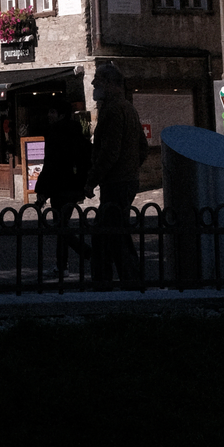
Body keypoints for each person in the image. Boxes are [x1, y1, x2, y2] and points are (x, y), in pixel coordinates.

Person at [85, 64, 148, 285]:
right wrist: (131, 168)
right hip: (126, 180)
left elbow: (109, 153)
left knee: (112, 235)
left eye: (98, 79)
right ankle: (121, 282)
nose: (93, 84)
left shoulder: (112, 110)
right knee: (111, 234)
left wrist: (92, 180)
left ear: (110, 83)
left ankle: (118, 283)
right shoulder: (128, 108)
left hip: (116, 183)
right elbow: (142, 147)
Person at [35, 99, 92, 276]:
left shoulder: (55, 133)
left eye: (52, 112)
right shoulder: (77, 132)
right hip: (74, 185)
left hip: (59, 187)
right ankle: (62, 265)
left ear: (61, 114)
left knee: (60, 226)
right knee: (62, 225)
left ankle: (85, 253)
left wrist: (42, 191)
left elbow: (51, 163)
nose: (49, 115)